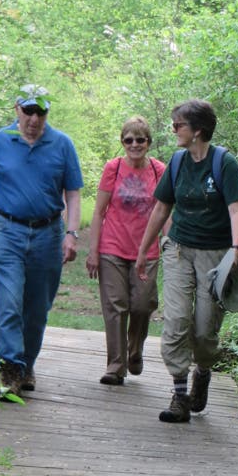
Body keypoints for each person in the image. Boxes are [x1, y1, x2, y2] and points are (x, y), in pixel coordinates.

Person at [0, 84, 83, 399]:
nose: (34, 118)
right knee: (10, 302)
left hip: (47, 233)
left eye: (40, 112)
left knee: (37, 307)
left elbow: (73, 192)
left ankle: (27, 363)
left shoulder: (62, 144)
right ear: (17, 109)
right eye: (28, 111)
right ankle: (12, 368)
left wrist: (71, 234)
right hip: (6, 231)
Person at [136, 99, 238, 424]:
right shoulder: (177, 162)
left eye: (178, 125)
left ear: (197, 130)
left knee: (205, 330)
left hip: (216, 255)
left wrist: (236, 249)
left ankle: (203, 370)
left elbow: (236, 209)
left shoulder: (224, 163)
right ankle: (180, 395)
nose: (173, 130)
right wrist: (145, 250)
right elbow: (161, 209)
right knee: (176, 321)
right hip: (179, 250)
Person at [86, 116, 166, 386]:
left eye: (140, 140)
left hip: (147, 250)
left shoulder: (159, 171)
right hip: (113, 248)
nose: (134, 144)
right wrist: (93, 251)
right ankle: (115, 366)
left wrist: (170, 243)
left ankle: (135, 350)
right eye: (128, 140)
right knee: (115, 306)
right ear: (122, 142)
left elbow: (165, 212)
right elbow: (98, 212)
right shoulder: (113, 168)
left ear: (148, 143)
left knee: (143, 305)